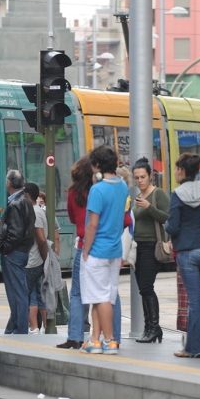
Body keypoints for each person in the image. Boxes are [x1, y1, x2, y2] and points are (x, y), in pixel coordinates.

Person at [80, 145, 129, 355]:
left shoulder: (98, 190)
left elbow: (92, 224)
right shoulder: (123, 186)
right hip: (115, 249)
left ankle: (109, 340)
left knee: (101, 298)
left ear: (98, 165)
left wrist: (85, 249)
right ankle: (95, 339)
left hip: (97, 249)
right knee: (104, 296)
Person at [166, 153, 200, 358]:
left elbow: (174, 226)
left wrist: (166, 225)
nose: (176, 172)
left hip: (185, 252)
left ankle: (193, 348)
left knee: (194, 301)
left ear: (183, 171)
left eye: (177, 168)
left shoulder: (177, 194)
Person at [131, 157, 170, 344]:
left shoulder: (158, 194)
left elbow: (167, 218)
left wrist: (150, 208)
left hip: (151, 246)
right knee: (142, 289)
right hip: (137, 246)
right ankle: (151, 328)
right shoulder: (137, 197)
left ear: (150, 176)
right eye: (136, 178)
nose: (140, 181)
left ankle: (153, 327)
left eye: (143, 177)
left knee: (147, 287)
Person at [57, 156, 94, 349]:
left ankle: (74, 336)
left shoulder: (73, 193)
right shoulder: (97, 190)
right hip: (100, 246)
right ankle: (108, 337)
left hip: (82, 246)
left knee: (77, 293)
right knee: (103, 294)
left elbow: (72, 217)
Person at [0, 170, 36, 335]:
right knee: (17, 291)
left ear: (9, 183)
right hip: (22, 250)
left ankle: (20, 328)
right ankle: (14, 327)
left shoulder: (15, 204)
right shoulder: (26, 201)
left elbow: (15, 233)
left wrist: (5, 249)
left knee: (18, 292)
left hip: (14, 252)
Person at [24, 183, 49, 335]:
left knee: (30, 294)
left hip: (32, 260)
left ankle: (34, 327)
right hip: (37, 259)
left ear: (27, 195)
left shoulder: (33, 211)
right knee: (38, 294)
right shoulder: (39, 210)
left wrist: (45, 257)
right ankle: (45, 327)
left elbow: (40, 238)